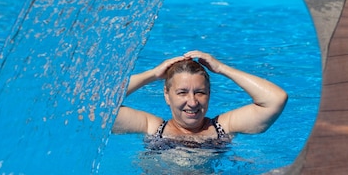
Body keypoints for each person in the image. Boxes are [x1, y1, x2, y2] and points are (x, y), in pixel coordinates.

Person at [112, 51, 288, 147]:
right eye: (182, 92)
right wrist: (152, 74)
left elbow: (275, 99)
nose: (192, 102)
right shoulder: (151, 127)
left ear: (209, 94)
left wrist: (221, 68)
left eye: (200, 92)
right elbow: (96, 106)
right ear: (167, 95)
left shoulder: (223, 127)